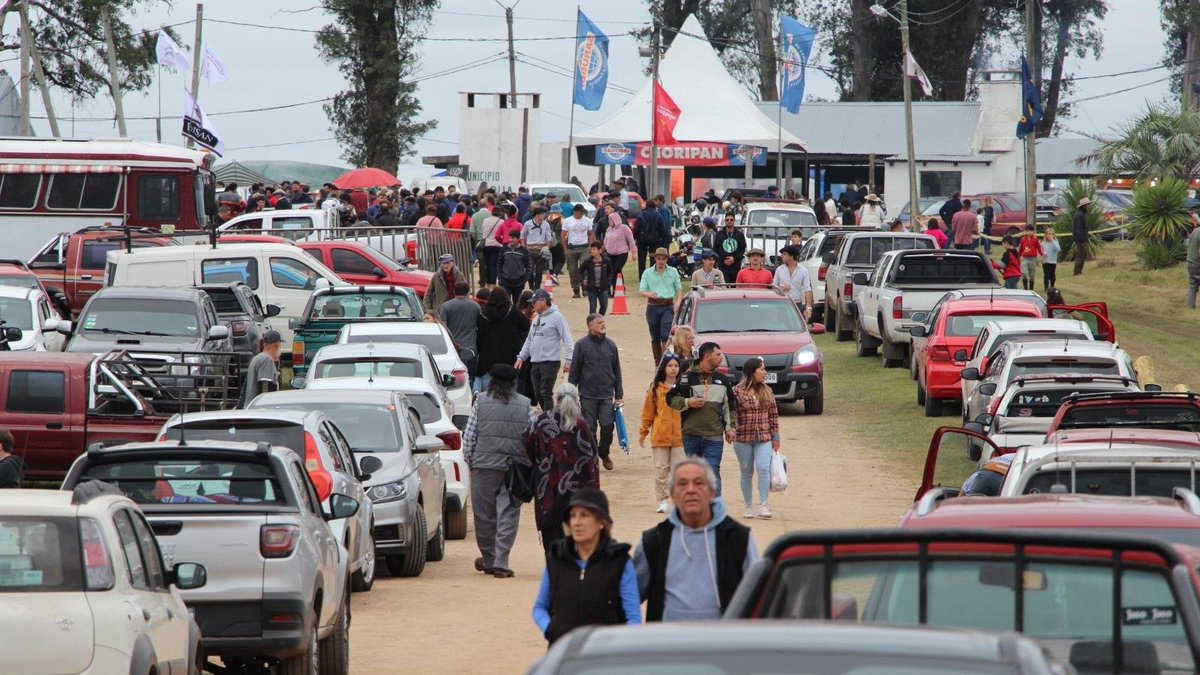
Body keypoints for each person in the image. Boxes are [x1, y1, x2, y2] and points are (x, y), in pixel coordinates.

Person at [633, 458, 757, 621]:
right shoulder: (654, 541)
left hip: (725, 643)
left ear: (712, 493)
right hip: (666, 643)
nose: (690, 490)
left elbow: (758, 596)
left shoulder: (738, 538)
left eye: (699, 483)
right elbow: (629, 597)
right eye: (682, 484)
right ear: (673, 495)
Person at [533, 488, 641, 644]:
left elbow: (633, 617)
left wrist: (619, 645)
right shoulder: (556, 558)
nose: (577, 522)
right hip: (564, 651)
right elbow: (540, 608)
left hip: (605, 656)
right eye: (573, 516)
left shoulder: (619, 561)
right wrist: (552, 630)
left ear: (601, 522)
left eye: (584, 515)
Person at [463, 364, 532, 578]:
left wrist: (471, 461)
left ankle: (489, 558)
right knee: (509, 513)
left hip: (484, 465)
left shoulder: (480, 402)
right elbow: (530, 436)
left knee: (483, 514)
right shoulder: (525, 405)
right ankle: (501, 561)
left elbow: (470, 436)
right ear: (514, 383)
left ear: (492, 381)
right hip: (515, 468)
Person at [524, 383, 600, 553]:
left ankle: (555, 569)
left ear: (556, 399)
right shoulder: (581, 425)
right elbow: (592, 460)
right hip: (577, 493)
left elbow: (528, 450)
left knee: (551, 536)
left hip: (548, 490)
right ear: (577, 400)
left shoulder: (542, 421)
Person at [666, 342, 736, 496]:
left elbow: (730, 406)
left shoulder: (723, 380)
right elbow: (670, 399)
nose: (721, 357)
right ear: (707, 356)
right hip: (691, 434)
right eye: (718, 354)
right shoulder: (686, 378)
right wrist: (687, 402)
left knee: (713, 472)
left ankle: (715, 508)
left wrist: (730, 428)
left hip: (714, 435)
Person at [568, 314, 623, 472]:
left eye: (603, 322)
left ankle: (603, 453)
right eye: (599, 323)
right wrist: (571, 395)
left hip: (606, 395)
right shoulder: (581, 346)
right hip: (587, 395)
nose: (603, 325)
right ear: (590, 326)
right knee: (589, 429)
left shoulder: (611, 346)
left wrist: (619, 394)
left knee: (607, 426)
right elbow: (574, 372)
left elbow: (617, 372)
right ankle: (591, 459)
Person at [731, 357, 780, 519]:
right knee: (746, 472)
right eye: (761, 369)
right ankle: (748, 506)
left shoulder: (767, 391)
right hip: (743, 437)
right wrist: (730, 429)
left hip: (764, 436)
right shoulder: (736, 391)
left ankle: (764, 504)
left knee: (763, 468)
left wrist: (776, 436)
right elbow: (732, 413)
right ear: (752, 372)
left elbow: (773, 414)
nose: (764, 372)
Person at [639, 354, 684, 513]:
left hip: (681, 437)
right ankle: (663, 500)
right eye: (670, 365)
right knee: (661, 469)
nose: (673, 369)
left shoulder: (684, 387)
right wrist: (643, 431)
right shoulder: (655, 388)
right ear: (664, 368)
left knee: (680, 470)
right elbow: (648, 412)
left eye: (676, 366)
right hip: (660, 435)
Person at [516, 289, 574, 412]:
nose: (533, 305)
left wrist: (569, 359)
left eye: (535, 302)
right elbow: (529, 340)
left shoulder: (557, 317)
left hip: (550, 361)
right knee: (537, 393)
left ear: (543, 301)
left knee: (545, 392)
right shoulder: (537, 319)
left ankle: (549, 418)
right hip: (535, 361)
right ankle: (547, 414)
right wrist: (521, 357)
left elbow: (567, 338)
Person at [475, 289, 530, 394]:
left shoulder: (483, 315)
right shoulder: (513, 312)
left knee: (489, 394)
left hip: (488, 359)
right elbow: (526, 325)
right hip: (510, 358)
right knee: (511, 393)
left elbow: (479, 337)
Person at [639, 247, 683, 362]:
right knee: (655, 336)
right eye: (659, 259)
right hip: (653, 306)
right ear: (655, 259)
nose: (661, 261)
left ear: (666, 260)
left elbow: (678, 288)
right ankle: (657, 361)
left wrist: (678, 301)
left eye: (664, 259)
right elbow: (641, 290)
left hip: (668, 306)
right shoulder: (647, 273)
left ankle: (665, 360)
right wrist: (649, 294)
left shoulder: (673, 271)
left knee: (665, 333)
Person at [440, 280, 482, 386]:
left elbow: (443, 327)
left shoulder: (446, 306)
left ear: (454, 292)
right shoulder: (475, 306)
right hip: (471, 348)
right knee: (470, 379)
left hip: (453, 348)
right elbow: (480, 326)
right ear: (468, 292)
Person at [773, 245, 814, 321]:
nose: (782, 256)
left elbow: (807, 289)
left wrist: (808, 307)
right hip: (782, 304)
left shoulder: (803, 270)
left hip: (797, 304)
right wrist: (781, 288)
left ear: (791, 256)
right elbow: (773, 287)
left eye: (784, 254)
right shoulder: (779, 269)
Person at [561, 204, 594, 298]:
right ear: (575, 212)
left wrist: (591, 246)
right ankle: (575, 289)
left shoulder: (587, 220)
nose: (582, 214)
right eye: (581, 212)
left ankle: (585, 287)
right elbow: (563, 235)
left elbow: (591, 233)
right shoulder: (568, 221)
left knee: (585, 268)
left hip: (584, 247)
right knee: (572, 270)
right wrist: (565, 249)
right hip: (571, 248)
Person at [242, 330, 282, 406]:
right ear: (277, 345)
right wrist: (265, 409)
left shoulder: (256, 358)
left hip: (250, 409)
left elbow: (245, 388)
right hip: (259, 411)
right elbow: (265, 388)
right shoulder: (267, 361)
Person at [602, 206, 636, 293]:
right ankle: (616, 289)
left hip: (622, 253)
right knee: (611, 271)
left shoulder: (624, 228)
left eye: (611, 219)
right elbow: (606, 241)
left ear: (615, 220)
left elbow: (631, 240)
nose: (609, 221)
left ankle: (618, 289)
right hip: (610, 253)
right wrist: (601, 250)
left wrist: (634, 252)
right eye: (609, 220)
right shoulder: (609, 229)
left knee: (617, 270)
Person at [522, 207, 556, 286]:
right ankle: (531, 285)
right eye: (543, 214)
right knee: (529, 270)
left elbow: (549, 238)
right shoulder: (528, 224)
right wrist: (523, 248)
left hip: (541, 249)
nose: (544, 215)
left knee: (539, 271)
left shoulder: (546, 224)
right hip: (530, 249)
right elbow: (522, 236)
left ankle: (537, 287)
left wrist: (547, 248)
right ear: (537, 215)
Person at [579, 241, 614, 316]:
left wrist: (608, 282)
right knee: (592, 308)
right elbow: (580, 271)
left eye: (594, 249)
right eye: (591, 249)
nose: (592, 251)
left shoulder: (606, 261)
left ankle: (599, 319)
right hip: (592, 288)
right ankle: (592, 322)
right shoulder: (588, 261)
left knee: (604, 306)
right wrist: (582, 281)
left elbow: (610, 272)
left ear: (600, 250)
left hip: (603, 288)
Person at [497, 231, 532, 305]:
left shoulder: (523, 251)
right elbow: (499, 264)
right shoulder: (504, 250)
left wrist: (525, 279)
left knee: (517, 304)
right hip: (505, 282)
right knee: (505, 303)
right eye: (509, 238)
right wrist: (500, 277)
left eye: (513, 238)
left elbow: (528, 266)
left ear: (518, 239)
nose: (510, 240)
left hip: (519, 283)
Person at [713, 213, 747, 283]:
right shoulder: (719, 234)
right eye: (727, 220)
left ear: (734, 221)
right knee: (724, 288)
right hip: (722, 267)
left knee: (734, 289)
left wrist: (734, 259)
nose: (729, 221)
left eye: (731, 220)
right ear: (725, 221)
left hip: (735, 267)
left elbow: (743, 250)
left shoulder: (740, 235)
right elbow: (715, 250)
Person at [1017, 224, 1043, 291]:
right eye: (1028, 231)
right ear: (1026, 231)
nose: (1029, 232)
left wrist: (1042, 254)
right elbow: (1020, 249)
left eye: (1031, 231)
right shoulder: (1023, 239)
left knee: (1032, 275)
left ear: (1033, 232)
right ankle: (1025, 288)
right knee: (1024, 273)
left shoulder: (1035, 239)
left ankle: (1031, 289)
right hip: (1025, 258)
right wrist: (1018, 256)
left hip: (1032, 259)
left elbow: (1039, 248)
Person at [1073, 197, 1091, 275]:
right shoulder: (1079, 215)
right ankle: (1077, 271)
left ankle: (1079, 270)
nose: (1088, 206)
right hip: (1080, 239)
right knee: (1080, 255)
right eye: (1087, 205)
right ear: (1084, 206)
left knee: (1083, 255)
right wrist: (1082, 240)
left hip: (1083, 238)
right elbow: (1078, 229)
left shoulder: (1082, 214)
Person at [1188, 221, 1200, 309]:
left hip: (1189, 261)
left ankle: (1190, 307)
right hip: (1197, 263)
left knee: (1193, 285)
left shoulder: (1195, 231)